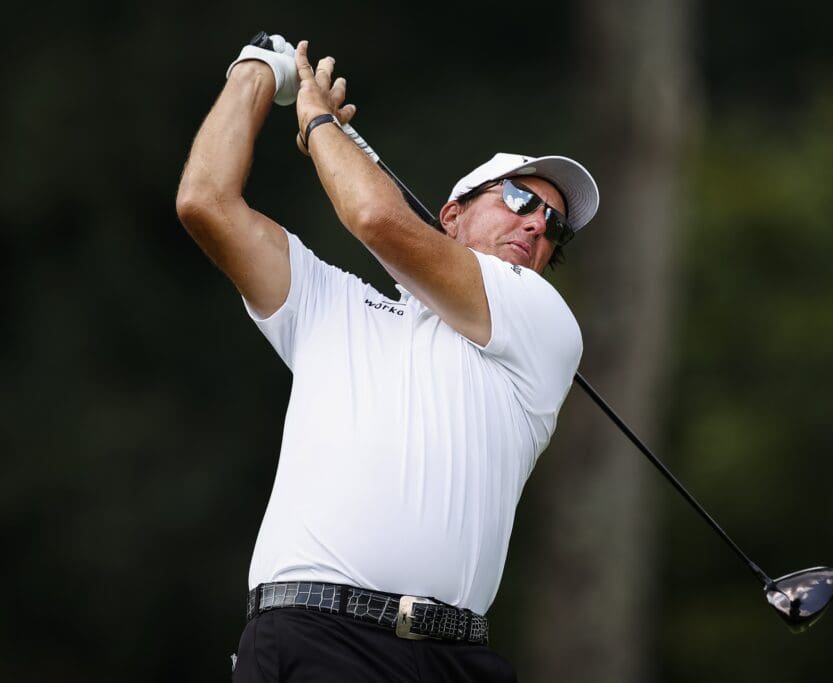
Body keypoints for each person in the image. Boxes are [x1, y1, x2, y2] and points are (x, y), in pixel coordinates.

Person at [176, 32, 599, 682]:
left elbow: (373, 215)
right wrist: (259, 70)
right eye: (519, 198)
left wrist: (316, 117)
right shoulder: (331, 305)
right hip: (311, 640)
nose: (539, 225)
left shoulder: (542, 321)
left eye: (556, 225)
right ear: (452, 216)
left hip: (455, 660)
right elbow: (205, 201)